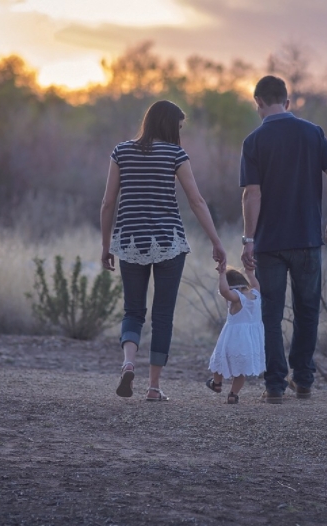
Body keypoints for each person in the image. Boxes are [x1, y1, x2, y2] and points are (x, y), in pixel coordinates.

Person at [100, 100, 226, 402]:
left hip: (130, 242)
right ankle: (153, 387)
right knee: (163, 316)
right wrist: (216, 241)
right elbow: (196, 201)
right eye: (179, 126)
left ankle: (128, 362)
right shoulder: (175, 154)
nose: (180, 132)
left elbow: (107, 203)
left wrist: (106, 246)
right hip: (169, 243)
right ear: (170, 125)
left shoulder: (121, 151)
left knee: (133, 310)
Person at [239, 75, 327, 404]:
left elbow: (251, 195)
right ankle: (304, 380)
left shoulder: (254, 141)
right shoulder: (313, 133)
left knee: (271, 314)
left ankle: (274, 385)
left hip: (270, 244)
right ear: (287, 101)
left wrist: (248, 239)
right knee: (307, 311)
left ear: (258, 102)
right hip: (308, 239)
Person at [206, 266, 265, 404]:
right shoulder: (256, 294)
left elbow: (224, 291)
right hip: (250, 341)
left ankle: (217, 383)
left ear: (232, 287)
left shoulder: (236, 298)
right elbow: (256, 284)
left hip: (233, 338)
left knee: (219, 360)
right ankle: (233, 394)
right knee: (241, 370)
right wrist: (250, 273)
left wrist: (221, 275)